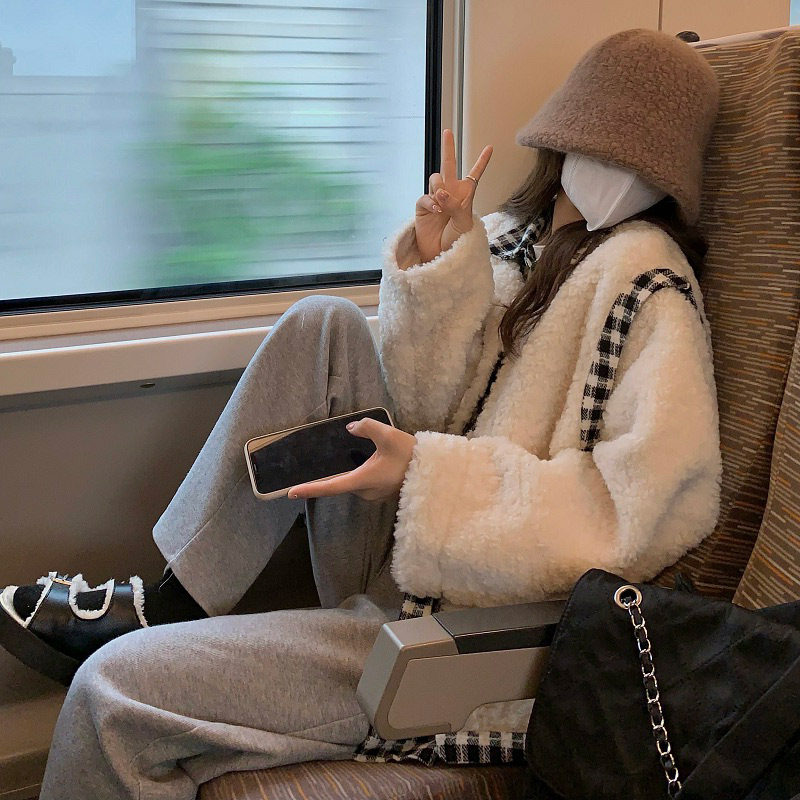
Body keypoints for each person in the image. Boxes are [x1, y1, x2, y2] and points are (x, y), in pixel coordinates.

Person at [0, 28, 721, 800]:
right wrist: (441, 269)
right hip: (410, 553)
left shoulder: (647, 283)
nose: (613, 171)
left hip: (473, 631)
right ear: (562, 140)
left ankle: (157, 644)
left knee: (111, 691)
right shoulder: (518, 242)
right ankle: (175, 600)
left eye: (639, 163)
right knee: (325, 324)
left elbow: (643, 516)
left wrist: (431, 477)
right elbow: (428, 403)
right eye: (599, 145)